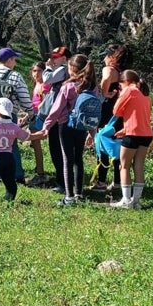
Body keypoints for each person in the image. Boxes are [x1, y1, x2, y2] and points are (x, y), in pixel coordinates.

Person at [33, 53, 96, 207]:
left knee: (67, 159)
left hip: (66, 126)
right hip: (82, 126)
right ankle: (79, 194)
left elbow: (55, 109)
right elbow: (93, 111)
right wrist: (92, 132)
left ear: (72, 69)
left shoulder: (68, 87)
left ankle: (69, 196)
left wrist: (46, 126)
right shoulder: (92, 87)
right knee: (78, 159)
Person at [0, 47, 35, 183]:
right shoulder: (15, 76)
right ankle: (16, 175)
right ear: (9, 60)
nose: (15, 62)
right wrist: (30, 112)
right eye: (14, 59)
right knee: (11, 144)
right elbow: (24, 97)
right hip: (7, 115)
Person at [0, 98, 45, 201]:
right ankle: (9, 199)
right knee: (10, 182)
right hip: (8, 158)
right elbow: (27, 137)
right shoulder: (14, 127)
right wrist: (39, 135)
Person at [110, 69, 153, 209]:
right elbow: (139, 116)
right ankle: (136, 201)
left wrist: (121, 95)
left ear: (126, 81)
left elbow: (116, 111)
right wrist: (125, 128)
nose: (120, 87)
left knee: (124, 166)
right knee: (139, 165)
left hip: (133, 135)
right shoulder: (145, 94)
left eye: (120, 84)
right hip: (146, 134)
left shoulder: (129, 90)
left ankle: (126, 200)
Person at [93, 44, 130, 192]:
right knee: (116, 146)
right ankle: (117, 181)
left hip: (107, 112)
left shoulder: (109, 69)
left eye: (106, 55)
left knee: (102, 144)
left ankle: (101, 182)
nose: (103, 58)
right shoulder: (124, 72)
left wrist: (103, 92)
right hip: (120, 113)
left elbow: (107, 76)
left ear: (113, 57)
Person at [42, 46, 72, 194]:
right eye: (51, 56)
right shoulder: (63, 69)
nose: (52, 59)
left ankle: (62, 182)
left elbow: (47, 79)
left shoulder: (62, 69)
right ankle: (63, 181)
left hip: (60, 116)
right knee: (59, 150)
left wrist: (47, 68)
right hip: (61, 115)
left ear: (65, 58)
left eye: (56, 57)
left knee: (57, 149)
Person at [26, 61, 50, 186]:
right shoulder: (37, 84)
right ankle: (39, 169)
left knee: (36, 144)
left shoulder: (44, 85)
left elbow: (45, 103)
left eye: (39, 71)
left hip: (39, 118)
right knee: (35, 145)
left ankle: (40, 173)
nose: (36, 73)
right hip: (34, 116)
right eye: (34, 71)